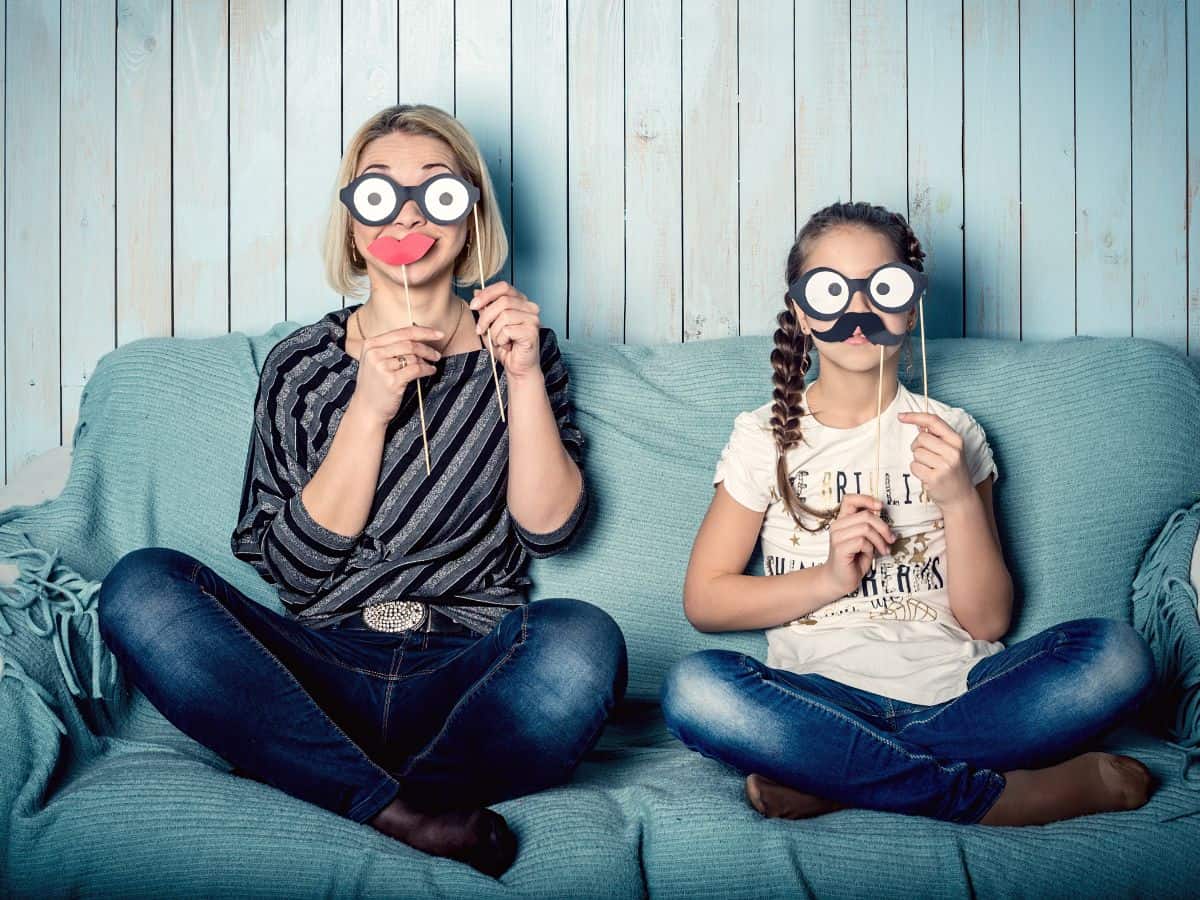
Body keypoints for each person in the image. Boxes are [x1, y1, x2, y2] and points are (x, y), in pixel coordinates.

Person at [98, 104, 627, 878]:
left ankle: (330, 785)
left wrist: (519, 376)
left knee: (584, 641)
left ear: (471, 215)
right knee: (141, 587)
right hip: (323, 664)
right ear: (353, 226)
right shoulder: (301, 365)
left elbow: (551, 530)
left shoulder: (522, 347)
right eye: (380, 194)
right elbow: (296, 569)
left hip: (465, 667)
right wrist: (369, 408)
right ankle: (398, 812)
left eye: (436, 192)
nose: (408, 215)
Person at [660, 201, 1157, 827]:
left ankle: (840, 779)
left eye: (882, 289)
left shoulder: (954, 434)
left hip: (961, 693)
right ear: (801, 313)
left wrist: (955, 498)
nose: (859, 313)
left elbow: (988, 618)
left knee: (1117, 654)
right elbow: (706, 601)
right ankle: (994, 796)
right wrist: (829, 578)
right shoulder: (765, 438)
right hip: (819, 699)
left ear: (912, 305)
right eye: (832, 292)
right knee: (695, 689)